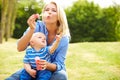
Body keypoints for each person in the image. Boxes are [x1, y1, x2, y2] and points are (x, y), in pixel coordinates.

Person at [5, 1, 70, 80]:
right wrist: (32, 30)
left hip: (53, 71)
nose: (49, 12)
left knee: (61, 76)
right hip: (33, 70)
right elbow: (20, 48)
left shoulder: (63, 38)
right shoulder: (36, 26)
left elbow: (59, 64)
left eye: (53, 10)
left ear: (59, 16)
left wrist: (47, 65)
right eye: (46, 10)